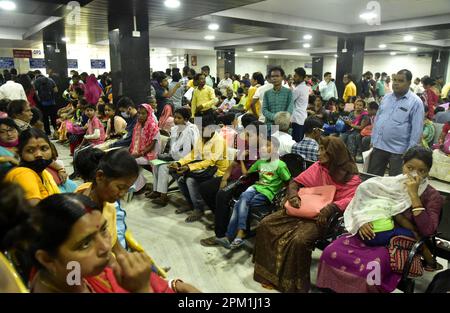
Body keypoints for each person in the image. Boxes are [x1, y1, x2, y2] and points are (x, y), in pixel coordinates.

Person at [317, 146, 443, 293]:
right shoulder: (389, 184)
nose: (414, 174)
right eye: (410, 168)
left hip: (399, 242)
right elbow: (363, 203)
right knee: (330, 252)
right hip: (371, 232)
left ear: (428, 172)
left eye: (422, 171)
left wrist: (414, 196)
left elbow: (428, 230)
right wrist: (362, 221)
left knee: (371, 270)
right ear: (403, 165)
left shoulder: (432, 196)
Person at [253, 136, 361, 293]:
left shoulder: (351, 177)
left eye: (323, 150)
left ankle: (294, 285)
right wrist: (293, 195)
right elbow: (295, 182)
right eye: (319, 149)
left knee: (299, 240)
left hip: (323, 218)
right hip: (302, 208)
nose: (318, 153)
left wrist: (331, 208)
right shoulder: (319, 167)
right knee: (266, 224)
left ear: (334, 154)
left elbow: (351, 198)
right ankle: (269, 275)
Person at [221, 136, 291, 249]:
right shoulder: (260, 162)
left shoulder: (280, 165)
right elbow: (246, 174)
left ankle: (233, 235)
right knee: (243, 199)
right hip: (256, 188)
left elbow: (288, 182)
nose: (263, 148)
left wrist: (284, 196)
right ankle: (239, 234)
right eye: (262, 146)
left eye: (267, 145)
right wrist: (242, 160)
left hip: (268, 192)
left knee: (241, 202)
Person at [170, 115, 230, 223]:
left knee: (190, 180)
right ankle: (190, 203)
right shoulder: (202, 138)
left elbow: (211, 161)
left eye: (203, 129)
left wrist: (189, 167)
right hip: (204, 168)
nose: (201, 132)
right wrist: (179, 163)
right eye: (200, 129)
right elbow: (193, 154)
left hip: (217, 172)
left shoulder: (219, 141)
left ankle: (199, 208)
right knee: (179, 176)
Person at [368, 69, 425, 176]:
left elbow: (417, 130)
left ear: (409, 82)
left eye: (400, 80)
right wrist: (373, 139)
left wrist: (410, 152)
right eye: (394, 80)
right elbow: (378, 119)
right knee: (372, 179)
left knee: (395, 183)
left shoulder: (415, 102)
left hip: (399, 151)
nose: (396, 83)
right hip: (379, 146)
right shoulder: (386, 97)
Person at [148, 107, 199, 206]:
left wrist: (183, 162)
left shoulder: (192, 129)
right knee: (155, 164)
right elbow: (172, 146)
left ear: (186, 119)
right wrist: (168, 155)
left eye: (179, 118)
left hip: (186, 161)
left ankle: (163, 196)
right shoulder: (174, 129)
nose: (175, 120)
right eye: (175, 117)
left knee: (163, 167)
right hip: (174, 157)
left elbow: (196, 149)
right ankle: (156, 191)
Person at [4, 128, 60, 206]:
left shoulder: (44, 173)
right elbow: (34, 213)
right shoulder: (23, 174)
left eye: (44, 149)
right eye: (30, 150)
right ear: (20, 153)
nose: (39, 154)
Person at [292, 67, 309, 142]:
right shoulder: (305, 87)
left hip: (297, 118)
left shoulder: (298, 89)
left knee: (296, 141)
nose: (293, 78)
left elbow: (290, 101)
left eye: (295, 76)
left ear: (301, 77)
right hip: (302, 117)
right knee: (299, 139)